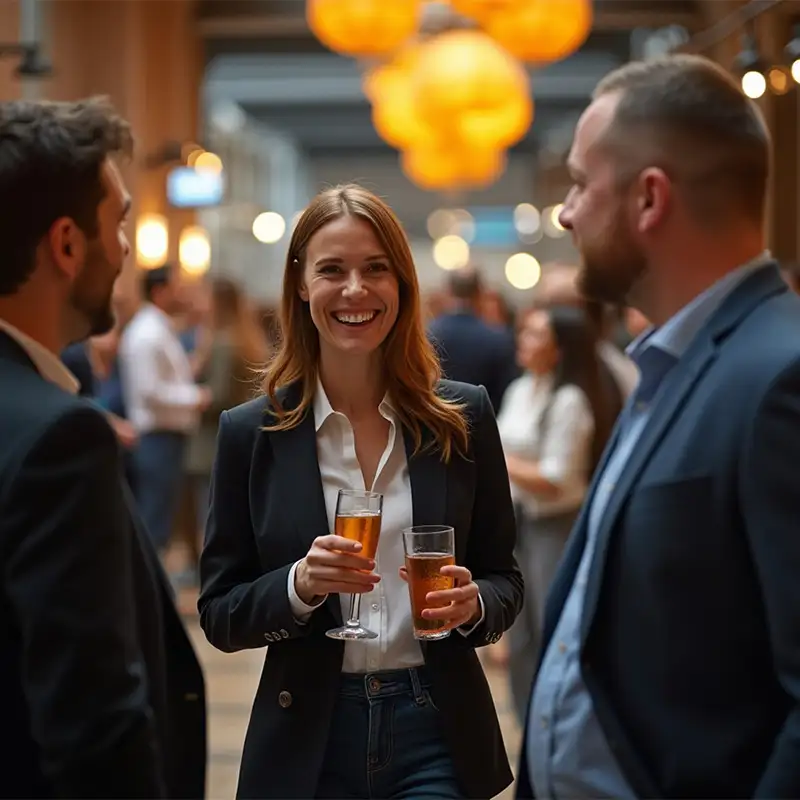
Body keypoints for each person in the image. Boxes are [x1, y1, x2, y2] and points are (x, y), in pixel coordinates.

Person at [517, 53, 800, 799]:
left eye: (580, 184)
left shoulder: (779, 375)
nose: (567, 212)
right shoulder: (673, 363)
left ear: (650, 198)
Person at [199, 184, 523, 800]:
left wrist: (472, 602)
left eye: (376, 269)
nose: (355, 290)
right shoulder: (252, 433)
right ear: (301, 284)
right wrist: (299, 585)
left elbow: (506, 579)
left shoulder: (463, 417)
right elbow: (220, 612)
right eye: (332, 270)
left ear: (402, 284)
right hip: (310, 733)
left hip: (437, 726)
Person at [0, 97, 205, 798]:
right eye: (118, 223)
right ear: (66, 244)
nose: (124, 250)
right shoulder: (60, 436)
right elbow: (93, 719)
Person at [497, 304, 617, 724]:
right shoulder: (519, 389)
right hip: (518, 520)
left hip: (556, 523)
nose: (523, 341)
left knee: (551, 623)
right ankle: (525, 717)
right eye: (524, 332)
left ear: (560, 349)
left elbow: (557, 477)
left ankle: (554, 718)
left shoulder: (570, 400)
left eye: (535, 335)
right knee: (518, 627)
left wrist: (498, 459)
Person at [428, 266, 519, 412]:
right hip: (482, 424)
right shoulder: (498, 338)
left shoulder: (427, 334)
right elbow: (506, 392)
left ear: (448, 291)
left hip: (433, 423)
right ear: (479, 293)